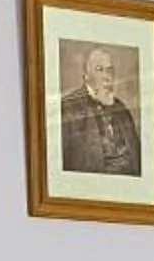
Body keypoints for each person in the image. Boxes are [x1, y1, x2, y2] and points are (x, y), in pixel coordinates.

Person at [59, 46, 143, 177]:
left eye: (110, 70)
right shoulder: (68, 107)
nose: (107, 77)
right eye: (99, 70)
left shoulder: (121, 109)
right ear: (85, 76)